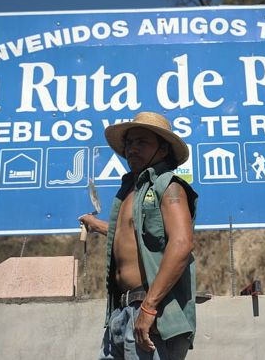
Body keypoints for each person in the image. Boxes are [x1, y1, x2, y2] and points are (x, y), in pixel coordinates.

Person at [79, 112, 198, 360]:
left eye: (142, 142)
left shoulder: (169, 186)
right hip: (119, 313)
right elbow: (130, 233)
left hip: (151, 314)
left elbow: (182, 243)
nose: (132, 148)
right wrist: (96, 225)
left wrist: (149, 307)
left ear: (163, 150)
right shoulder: (130, 192)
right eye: (130, 143)